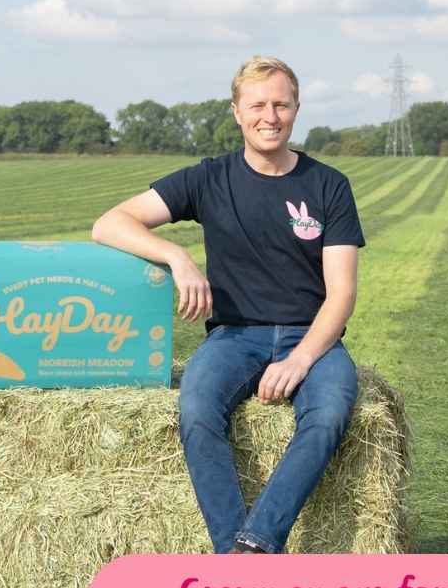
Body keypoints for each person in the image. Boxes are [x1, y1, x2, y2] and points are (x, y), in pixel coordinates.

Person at [91, 56, 364, 553]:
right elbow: (110, 223)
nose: (270, 115)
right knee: (196, 409)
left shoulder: (328, 186)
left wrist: (301, 359)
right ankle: (234, 554)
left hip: (313, 338)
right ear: (237, 112)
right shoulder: (208, 179)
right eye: (257, 104)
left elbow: (341, 294)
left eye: (281, 104)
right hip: (234, 335)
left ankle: (257, 543)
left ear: (297, 109)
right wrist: (177, 256)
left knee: (327, 416)